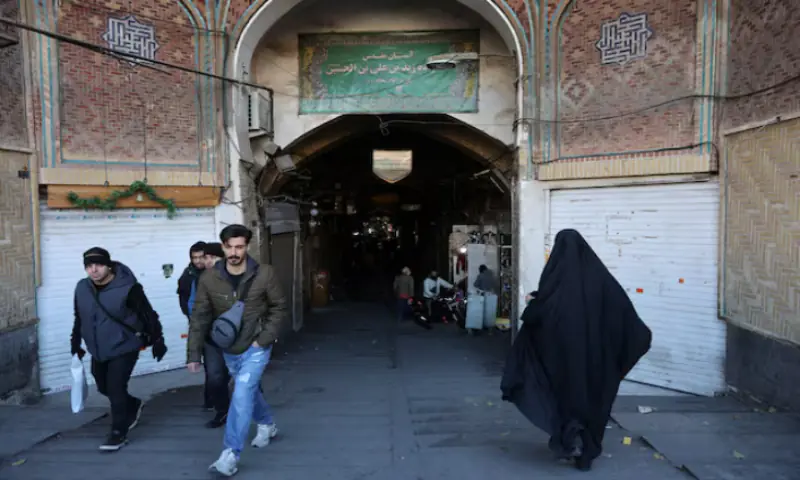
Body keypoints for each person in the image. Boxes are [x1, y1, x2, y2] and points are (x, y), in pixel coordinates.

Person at [500, 229, 652, 471]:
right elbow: (631, 324)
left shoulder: (555, 284)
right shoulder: (602, 281)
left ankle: (570, 440)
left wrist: (533, 303)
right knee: (592, 400)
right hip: (595, 363)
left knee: (566, 400)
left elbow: (536, 316)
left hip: (562, 362)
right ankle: (586, 450)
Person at [187, 224, 288, 477]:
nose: (234, 252)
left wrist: (263, 339)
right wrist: (193, 354)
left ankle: (229, 454)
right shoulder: (209, 278)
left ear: (247, 246)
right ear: (223, 247)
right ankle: (267, 424)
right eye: (229, 247)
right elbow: (199, 316)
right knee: (248, 392)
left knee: (241, 394)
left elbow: (279, 308)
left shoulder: (265, 274)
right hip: (227, 348)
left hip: (255, 346)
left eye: (239, 246)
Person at [70, 247, 168, 452]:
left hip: (125, 345)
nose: (94, 270)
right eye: (89, 266)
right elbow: (79, 317)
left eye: (98, 265)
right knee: (103, 386)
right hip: (98, 348)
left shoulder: (128, 287)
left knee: (115, 388)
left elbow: (148, 314)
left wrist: (158, 340)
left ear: (108, 265)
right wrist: (75, 344)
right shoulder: (82, 288)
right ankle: (132, 404)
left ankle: (118, 432)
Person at [189, 241, 230, 428]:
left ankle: (258, 415)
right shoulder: (200, 280)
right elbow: (196, 315)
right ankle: (222, 412)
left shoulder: (239, 277)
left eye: (213, 257)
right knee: (215, 377)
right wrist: (193, 355)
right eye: (206, 257)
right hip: (211, 338)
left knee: (245, 379)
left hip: (238, 337)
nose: (208, 261)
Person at [178, 241, 207, 322]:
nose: (198, 261)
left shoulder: (215, 271)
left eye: (201, 257)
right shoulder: (188, 275)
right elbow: (183, 297)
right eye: (195, 257)